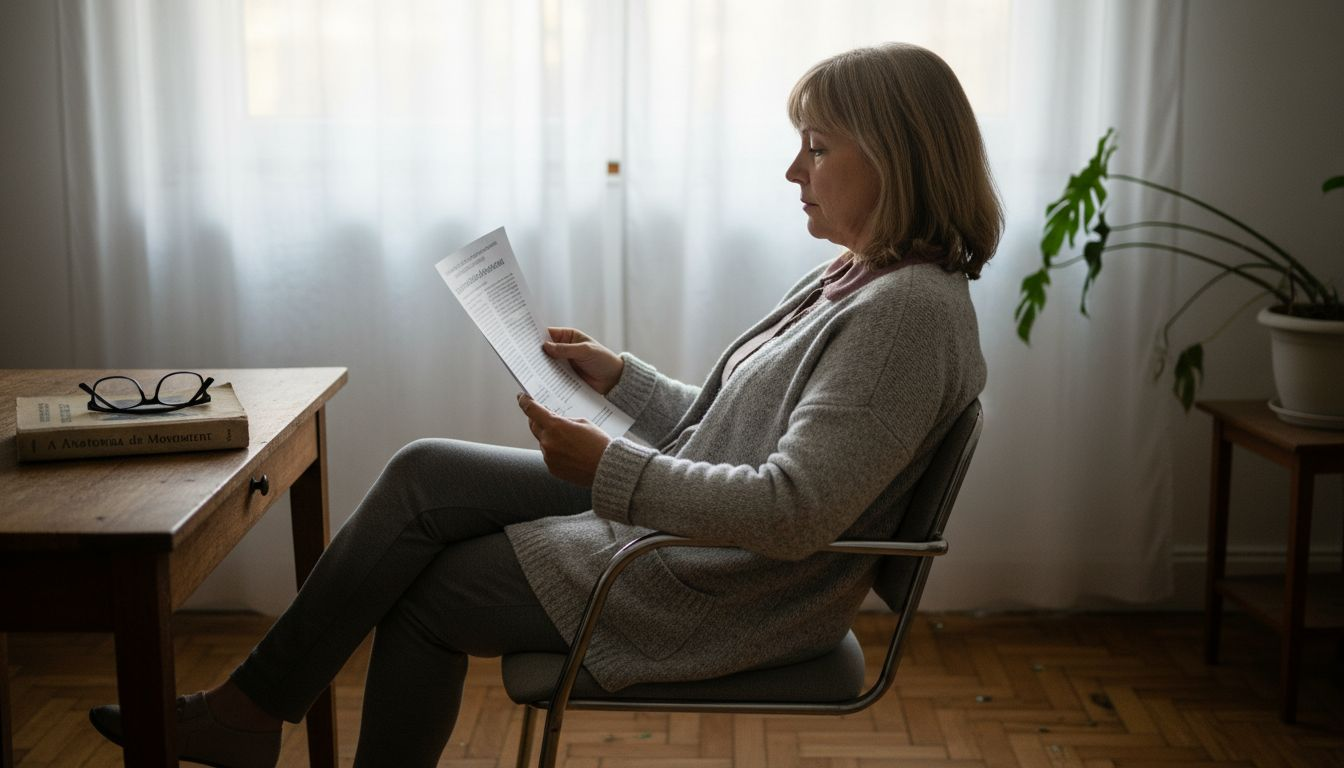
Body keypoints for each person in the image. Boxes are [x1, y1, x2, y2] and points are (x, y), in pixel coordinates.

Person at [90, 42, 1001, 767]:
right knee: (424, 473)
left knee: (428, 594)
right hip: (693, 537)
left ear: (897, 157)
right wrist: (622, 379)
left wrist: (613, 471)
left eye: (817, 146)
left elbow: (795, 511)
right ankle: (249, 714)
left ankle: (245, 720)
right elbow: (733, 429)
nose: (793, 170)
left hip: (722, 585)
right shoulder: (860, 277)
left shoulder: (906, 317)